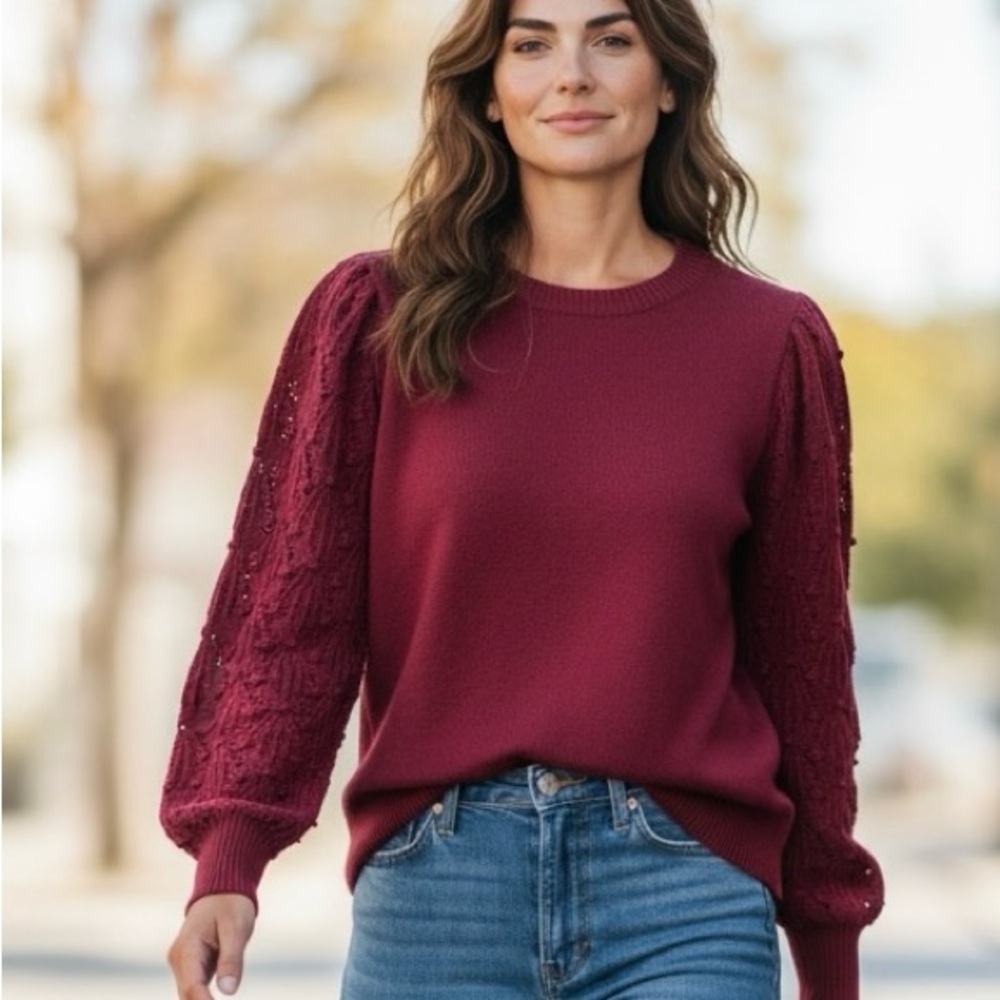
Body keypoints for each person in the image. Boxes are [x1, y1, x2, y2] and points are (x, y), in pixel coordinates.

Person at [162, 0, 885, 997]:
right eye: (532, 42)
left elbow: (802, 660)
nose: (572, 73)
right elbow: (291, 615)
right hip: (437, 889)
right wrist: (228, 862)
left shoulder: (769, 343)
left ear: (668, 80)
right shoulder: (377, 318)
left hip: (685, 892)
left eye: (612, 38)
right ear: (490, 92)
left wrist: (826, 948)